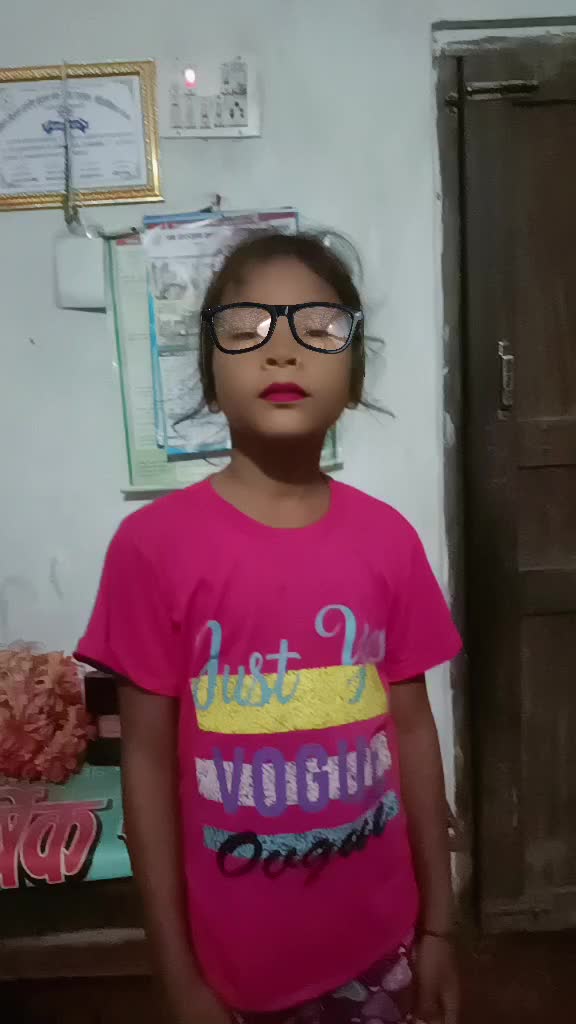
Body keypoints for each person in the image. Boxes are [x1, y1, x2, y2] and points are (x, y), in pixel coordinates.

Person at [76, 232, 462, 1024]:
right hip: (234, 973)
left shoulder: (389, 541)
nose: (282, 350)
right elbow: (144, 766)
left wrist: (439, 927)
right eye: (246, 328)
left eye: (318, 328)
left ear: (354, 372)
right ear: (209, 372)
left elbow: (413, 733)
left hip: (382, 946)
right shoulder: (152, 549)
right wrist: (177, 977)